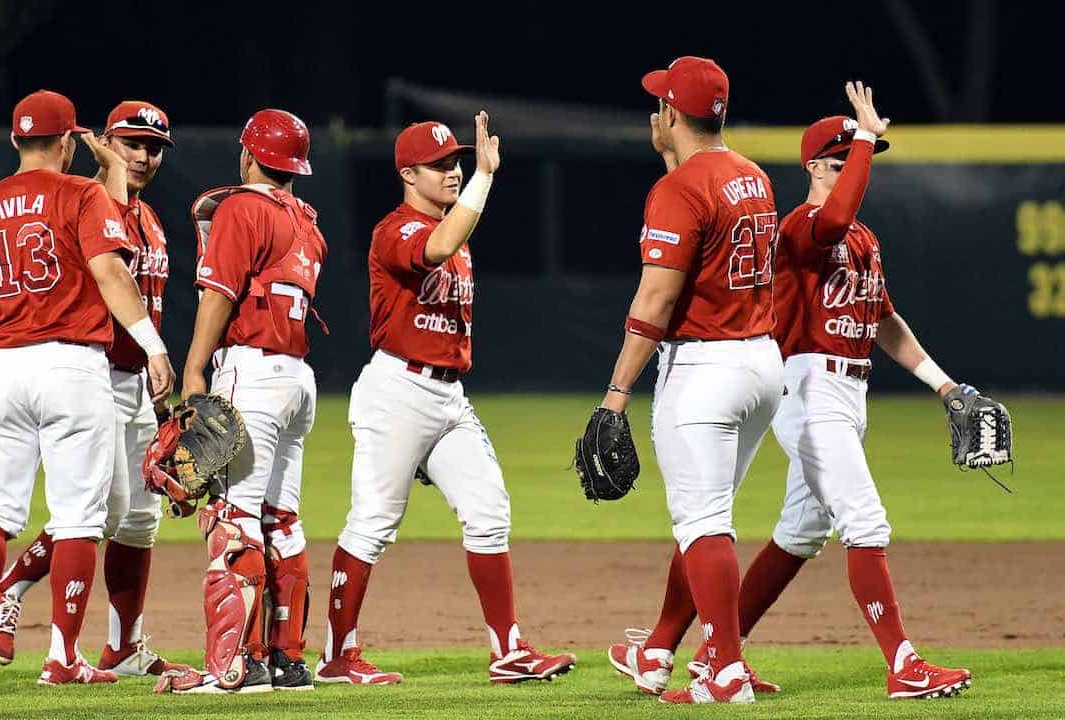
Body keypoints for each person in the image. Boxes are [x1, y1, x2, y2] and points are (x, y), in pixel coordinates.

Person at [680, 83, 972, 700]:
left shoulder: (864, 240)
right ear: (814, 167)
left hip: (850, 392)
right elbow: (835, 214)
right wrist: (864, 135)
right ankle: (904, 664)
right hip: (807, 389)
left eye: (858, 163)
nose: (852, 175)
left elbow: (885, 322)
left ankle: (713, 660)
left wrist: (943, 385)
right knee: (865, 521)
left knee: (798, 533)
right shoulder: (803, 226)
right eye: (841, 164)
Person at [317, 114, 576, 686]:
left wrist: (475, 182)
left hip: (448, 395)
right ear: (408, 175)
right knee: (373, 524)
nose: (453, 171)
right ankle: (337, 654)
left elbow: (454, 238)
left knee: (489, 513)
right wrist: (485, 177)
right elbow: (439, 243)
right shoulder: (396, 231)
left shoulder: (459, 239)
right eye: (440, 165)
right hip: (397, 391)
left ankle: (508, 651)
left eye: (456, 162)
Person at [0, 89, 174, 687]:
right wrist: (153, 345)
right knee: (78, 517)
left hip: (2, 368)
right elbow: (111, 272)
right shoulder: (84, 193)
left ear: (16, 140)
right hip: (73, 365)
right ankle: (64, 657)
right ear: (69, 142)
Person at [597, 57, 783, 705]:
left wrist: (616, 393)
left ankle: (725, 671)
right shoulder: (753, 176)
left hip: (706, 368)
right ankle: (656, 651)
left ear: (672, 114)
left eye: (660, 104)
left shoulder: (677, 188)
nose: (655, 113)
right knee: (703, 519)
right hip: (763, 363)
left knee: (703, 522)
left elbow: (654, 302)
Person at [155, 108, 326, 694]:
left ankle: (234, 668)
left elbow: (218, 296)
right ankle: (288, 661)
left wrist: (195, 368)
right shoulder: (308, 221)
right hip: (297, 381)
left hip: (250, 372)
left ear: (249, 155)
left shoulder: (242, 208)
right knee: (281, 520)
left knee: (231, 520)